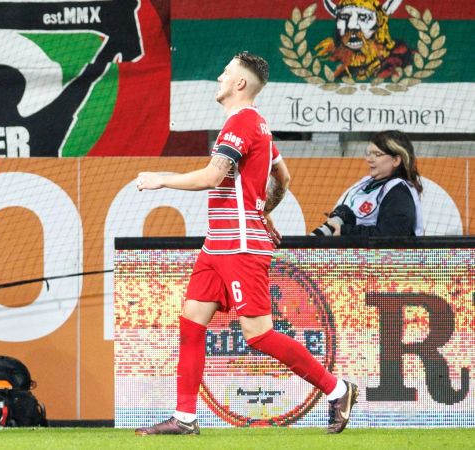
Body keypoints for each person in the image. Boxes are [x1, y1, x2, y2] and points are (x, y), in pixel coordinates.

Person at [133, 52, 358, 436]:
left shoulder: (241, 123)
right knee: (191, 323)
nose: (219, 77)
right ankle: (185, 418)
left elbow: (212, 176)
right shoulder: (258, 125)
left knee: (259, 335)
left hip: (239, 247)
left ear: (240, 84)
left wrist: (161, 178)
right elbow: (283, 178)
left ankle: (338, 389)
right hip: (218, 246)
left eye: (226, 72)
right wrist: (261, 209)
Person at [311, 130, 423, 237]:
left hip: (386, 257)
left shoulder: (398, 192)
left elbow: (392, 236)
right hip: (357, 255)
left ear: (396, 160)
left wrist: (344, 231)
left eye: (377, 154)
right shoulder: (367, 182)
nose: (369, 159)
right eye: (369, 153)